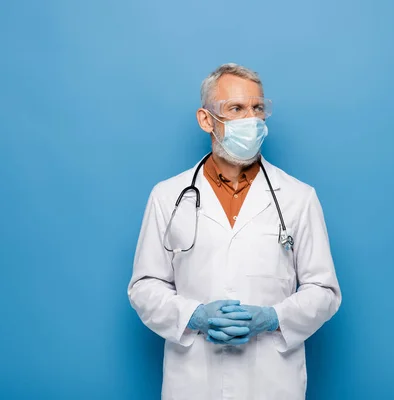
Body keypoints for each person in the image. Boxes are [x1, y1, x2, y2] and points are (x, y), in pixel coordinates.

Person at [127, 63, 342, 400]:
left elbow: (324, 291)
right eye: (236, 109)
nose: (251, 120)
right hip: (193, 381)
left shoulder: (299, 197)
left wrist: (274, 318)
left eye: (257, 109)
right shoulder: (167, 196)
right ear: (206, 119)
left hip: (273, 381)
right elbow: (144, 286)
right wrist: (194, 316)